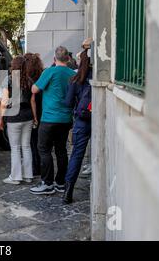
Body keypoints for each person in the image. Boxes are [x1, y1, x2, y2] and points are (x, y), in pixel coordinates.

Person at [30, 46, 76, 195]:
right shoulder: (72, 74)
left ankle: (47, 183)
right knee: (61, 150)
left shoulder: (49, 71)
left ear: (54, 59)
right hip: (66, 118)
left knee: (44, 149)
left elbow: (34, 90)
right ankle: (60, 183)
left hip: (49, 118)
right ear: (68, 59)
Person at [0, 56, 38, 185]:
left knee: (15, 148)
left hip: (14, 116)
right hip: (28, 116)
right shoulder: (29, 80)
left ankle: (15, 177)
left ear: (13, 66)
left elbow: (4, 102)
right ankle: (28, 175)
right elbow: (32, 101)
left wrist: (0, 118)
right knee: (26, 146)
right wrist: (35, 117)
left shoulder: (8, 80)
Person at [63, 41, 93, 204]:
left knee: (76, 155)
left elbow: (67, 103)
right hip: (97, 119)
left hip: (81, 121)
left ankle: (68, 191)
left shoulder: (74, 80)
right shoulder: (96, 76)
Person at [23, 53, 44, 176]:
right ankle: (40, 166)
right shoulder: (41, 76)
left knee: (32, 142)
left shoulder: (28, 80)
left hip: (33, 112)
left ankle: (36, 167)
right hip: (43, 110)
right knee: (40, 142)